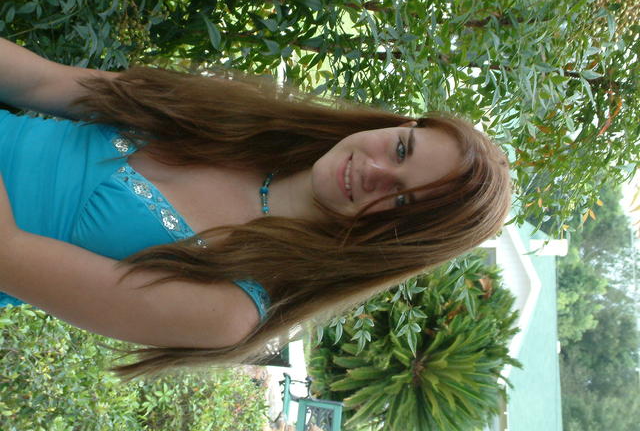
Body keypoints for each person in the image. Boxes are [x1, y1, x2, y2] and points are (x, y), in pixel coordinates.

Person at [0, 37, 511, 378]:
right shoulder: (236, 116)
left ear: (396, 241)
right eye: (401, 148)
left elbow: (8, 254)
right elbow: (41, 82)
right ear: (399, 124)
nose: (374, 170)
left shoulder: (230, 308)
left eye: (400, 200)